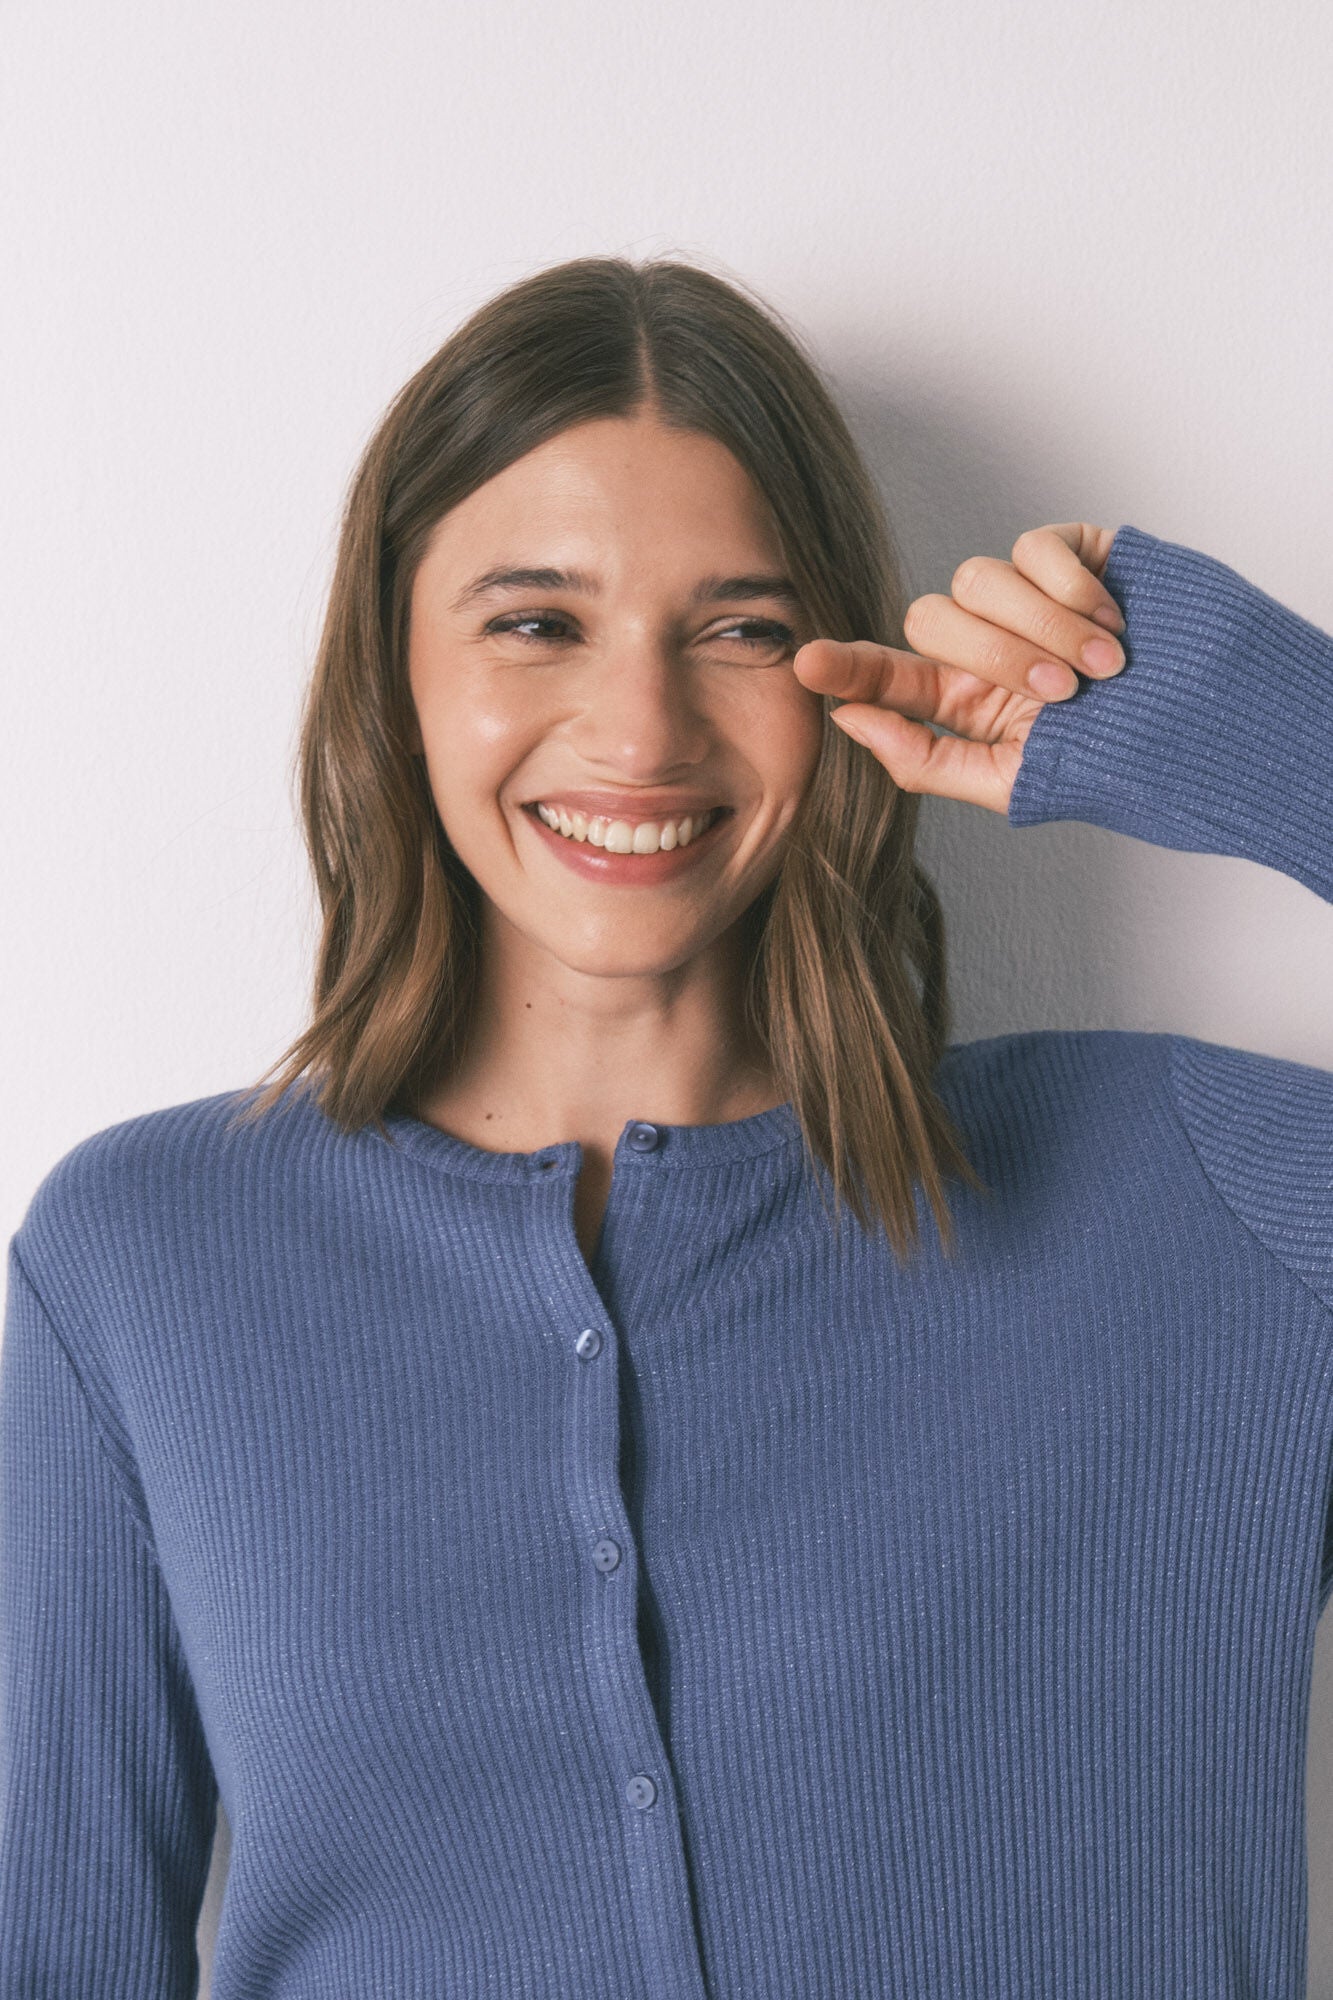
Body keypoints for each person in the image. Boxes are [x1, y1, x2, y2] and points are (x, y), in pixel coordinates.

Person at [1, 254, 1330, 2000]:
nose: (637, 727)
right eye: (534, 620)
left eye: (741, 628)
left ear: (836, 674)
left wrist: (1278, 735)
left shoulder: (1210, 1196)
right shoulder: (143, 1262)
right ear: (391, 669)